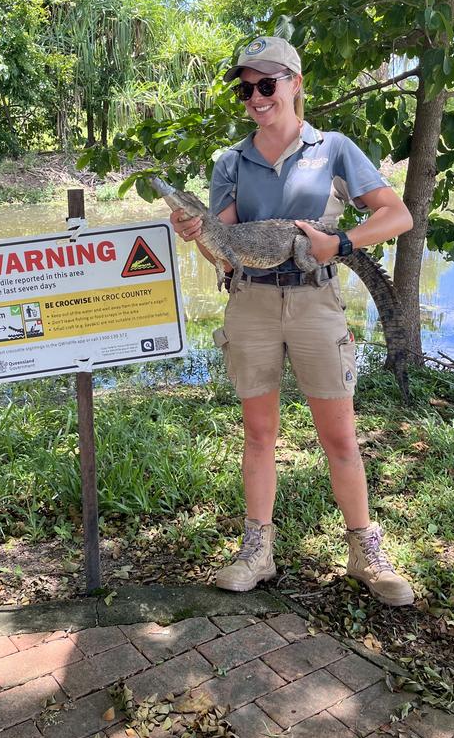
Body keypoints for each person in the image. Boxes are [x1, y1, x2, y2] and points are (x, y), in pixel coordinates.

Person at [171, 35, 415, 607]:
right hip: (251, 304)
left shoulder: (332, 150)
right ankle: (257, 550)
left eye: (266, 84)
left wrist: (343, 243)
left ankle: (366, 553)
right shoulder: (231, 161)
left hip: (314, 302)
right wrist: (199, 233)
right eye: (245, 87)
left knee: (340, 437)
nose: (255, 97)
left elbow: (396, 213)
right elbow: (225, 248)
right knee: (259, 435)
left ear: (295, 83)